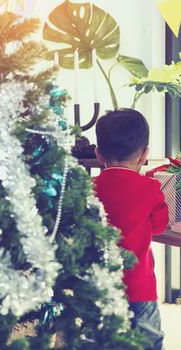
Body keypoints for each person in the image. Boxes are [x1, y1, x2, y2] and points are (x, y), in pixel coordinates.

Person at [93, 108, 168, 350]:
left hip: (99, 285)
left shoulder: (89, 188)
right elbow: (159, 227)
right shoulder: (149, 188)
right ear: (144, 154)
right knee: (149, 339)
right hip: (139, 286)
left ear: (98, 154)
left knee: (103, 339)